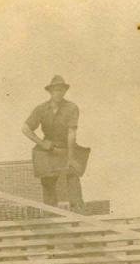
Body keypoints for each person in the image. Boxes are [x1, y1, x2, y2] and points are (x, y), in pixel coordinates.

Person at [21, 75, 90, 213]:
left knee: (73, 180)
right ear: (50, 92)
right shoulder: (40, 109)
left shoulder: (71, 108)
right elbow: (25, 128)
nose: (58, 93)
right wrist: (41, 143)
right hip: (48, 150)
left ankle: (79, 215)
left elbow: (71, 134)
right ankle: (50, 219)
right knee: (48, 185)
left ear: (65, 91)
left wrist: (70, 158)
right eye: (55, 90)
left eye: (61, 90)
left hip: (66, 148)